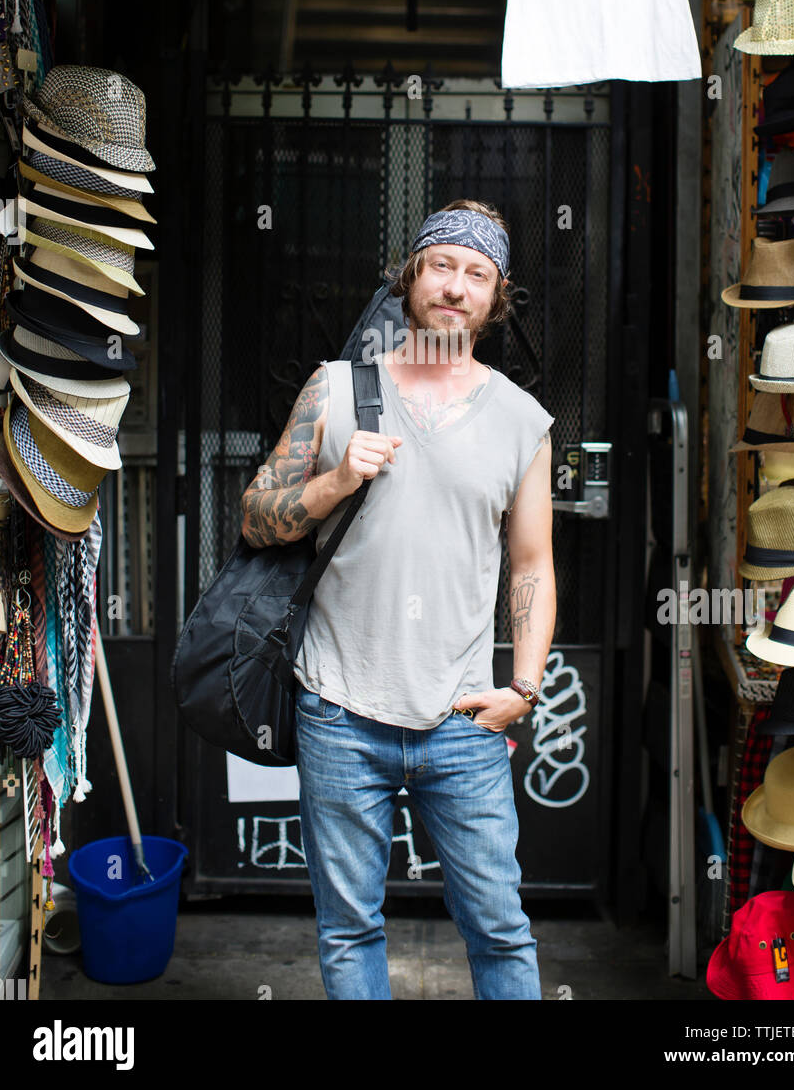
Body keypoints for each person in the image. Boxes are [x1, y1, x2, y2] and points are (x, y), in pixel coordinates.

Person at [240, 199, 556, 1000]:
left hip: (462, 720)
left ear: (497, 294)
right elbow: (256, 516)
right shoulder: (336, 388)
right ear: (410, 275)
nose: (455, 286)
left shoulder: (522, 422)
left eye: (475, 273)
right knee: (350, 931)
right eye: (441, 265)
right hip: (339, 709)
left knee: (500, 929)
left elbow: (531, 566)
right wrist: (339, 477)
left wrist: (523, 685)